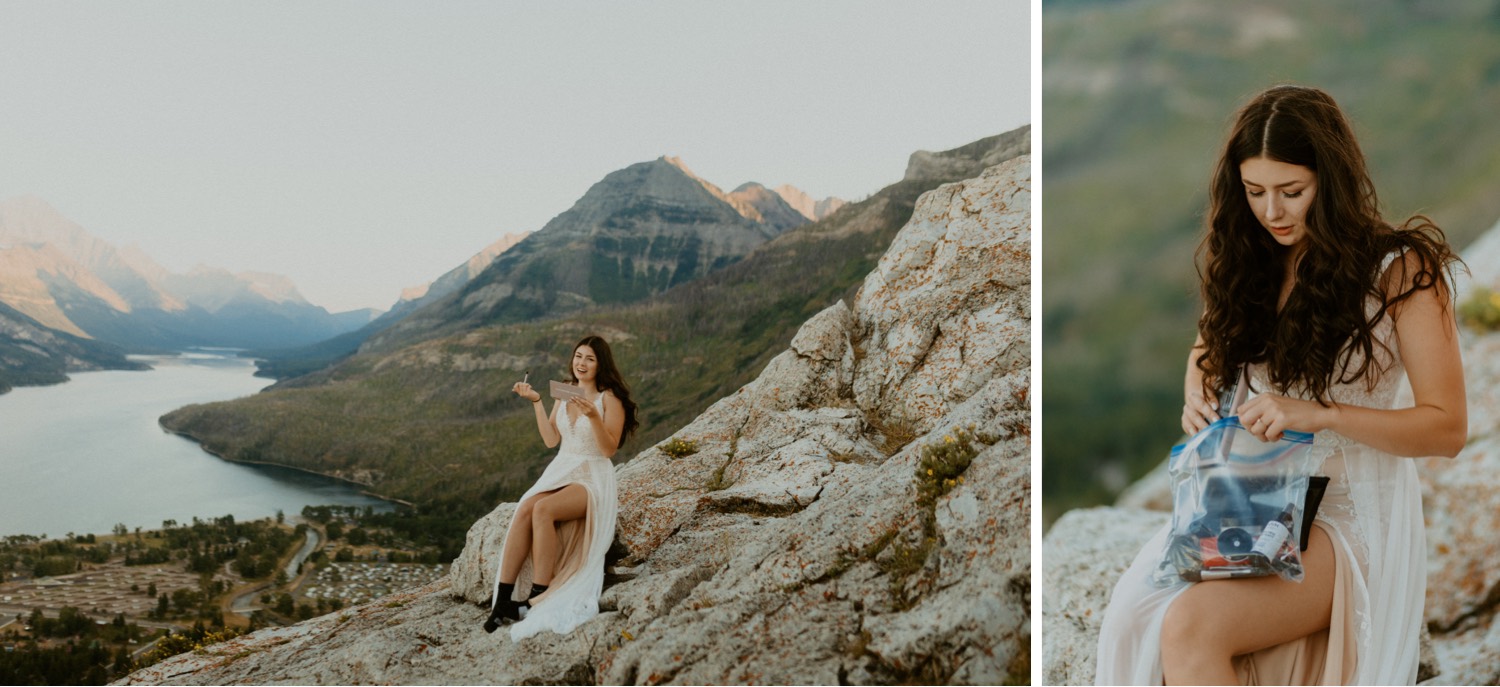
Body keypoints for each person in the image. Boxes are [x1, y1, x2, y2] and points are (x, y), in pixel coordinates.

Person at [1094, 85, 1466, 685]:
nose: (1272, 212)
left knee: (1190, 626)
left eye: (1292, 192)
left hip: (1347, 519)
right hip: (1250, 501)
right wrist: (1196, 390)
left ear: (1332, 178)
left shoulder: (1401, 270)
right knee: (1133, 617)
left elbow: (1447, 427)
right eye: (1255, 192)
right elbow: (1207, 346)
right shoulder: (1255, 257)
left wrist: (1322, 414)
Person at [480, 334, 638, 640]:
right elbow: (552, 440)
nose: (581, 363)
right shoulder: (565, 390)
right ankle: (502, 600)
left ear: (600, 364)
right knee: (525, 507)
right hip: (563, 467)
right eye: (578, 356)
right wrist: (538, 402)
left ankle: (538, 596)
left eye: (590, 359)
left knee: (544, 509)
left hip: (593, 476)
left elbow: (609, 450)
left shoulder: (610, 399)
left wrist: (594, 417)